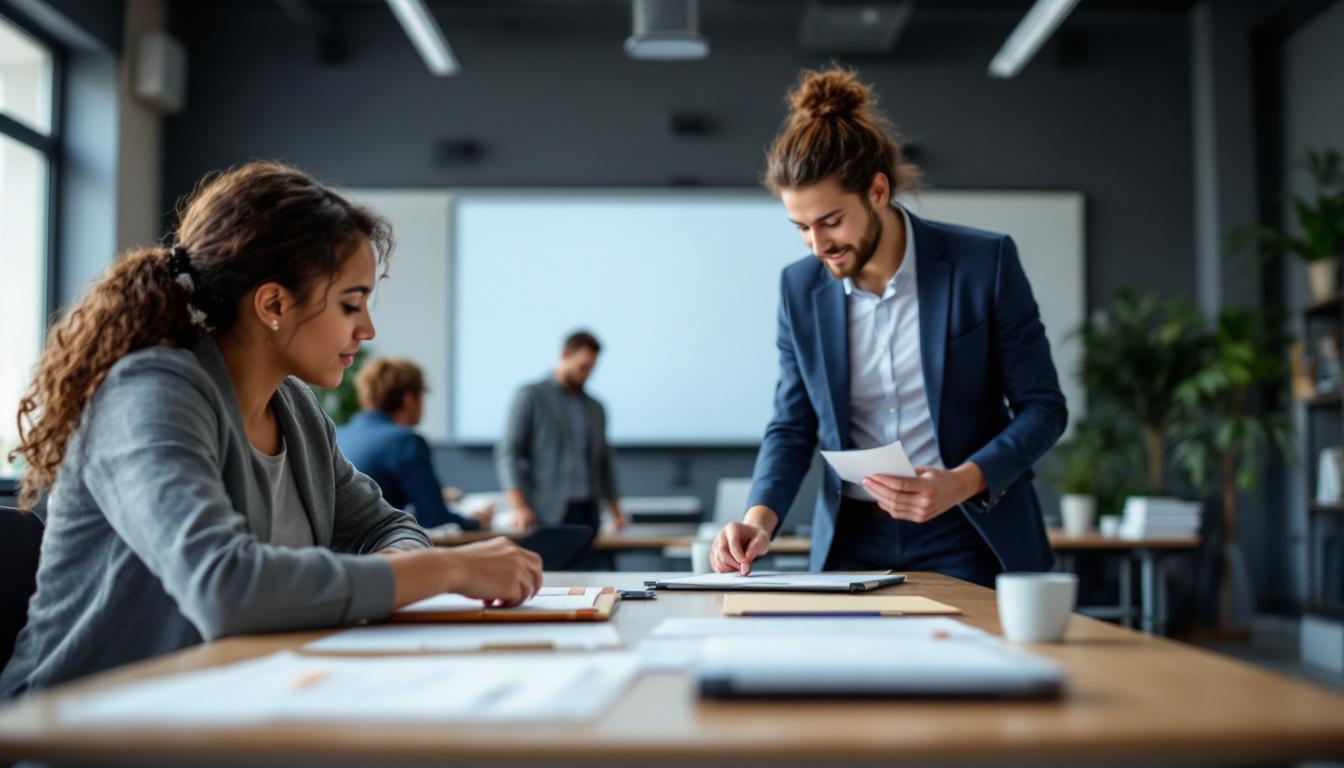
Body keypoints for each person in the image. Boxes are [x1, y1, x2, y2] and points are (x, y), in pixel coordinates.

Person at [1, 162, 540, 698]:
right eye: (351, 303)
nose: (369, 328)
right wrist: (443, 571)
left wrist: (394, 573)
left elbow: (386, 529)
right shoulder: (149, 392)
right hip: (83, 728)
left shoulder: (296, 409)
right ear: (274, 304)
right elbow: (225, 588)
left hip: (232, 706)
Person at [711, 66, 1067, 586]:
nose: (818, 245)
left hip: (967, 528)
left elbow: (1043, 408)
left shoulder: (983, 263)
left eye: (831, 221)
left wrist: (962, 482)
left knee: (972, 667)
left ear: (877, 191)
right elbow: (792, 426)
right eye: (802, 228)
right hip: (854, 537)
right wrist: (757, 520)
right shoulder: (800, 289)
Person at [338, 357, 492, 531]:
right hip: (375, 548)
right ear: (409, 399)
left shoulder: (339, 434)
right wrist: (477, 521)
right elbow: (435, 518)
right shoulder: (405, 441)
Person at [494, 331, 625, 535]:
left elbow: (604, 462)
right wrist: (519, 507)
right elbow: (508, 453)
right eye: (583, 367)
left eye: (591, 368)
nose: (587, 374)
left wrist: (616, 512)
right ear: (565, 355)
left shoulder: (595, 408)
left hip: (588, 512)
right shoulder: (531, 396)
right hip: (547, 512)